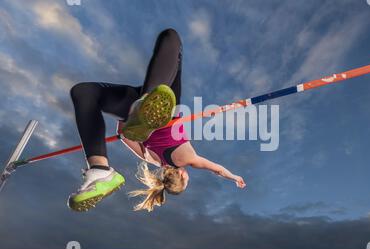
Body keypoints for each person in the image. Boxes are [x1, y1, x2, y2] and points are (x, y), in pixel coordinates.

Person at [69, 29, 246, 212]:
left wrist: (234, 177)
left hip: (166, 106)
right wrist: (127, 117)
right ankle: (99, 167)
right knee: (83, 93)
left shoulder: (188, 159)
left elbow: (217, 169)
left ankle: (145, 104)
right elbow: (122, 134)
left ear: (183, 176)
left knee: (171, 37)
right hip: (132, 108)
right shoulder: (148, 157)